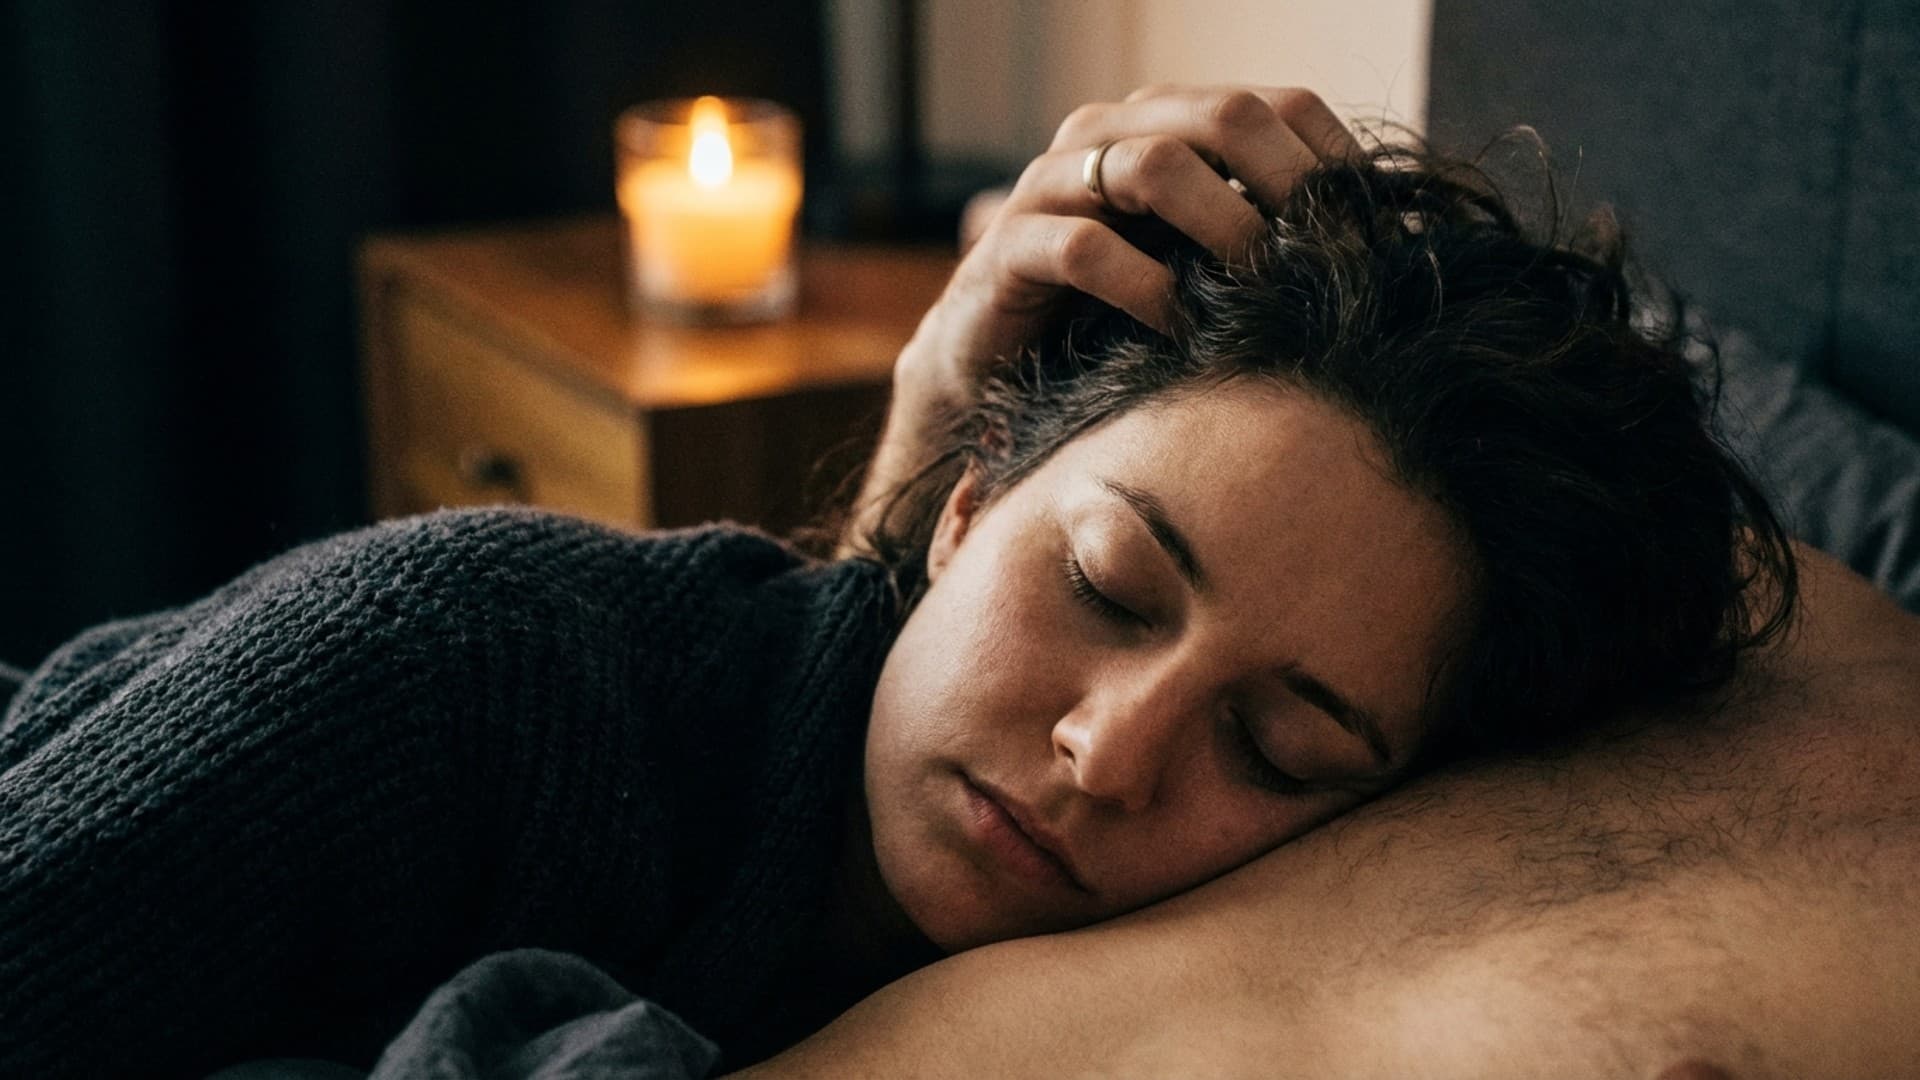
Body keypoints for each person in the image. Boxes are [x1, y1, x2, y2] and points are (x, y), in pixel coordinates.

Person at [0, 85, 1808, 1078]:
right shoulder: (467, 667)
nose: (1111, 753)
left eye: (1281, 748)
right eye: (1105, 583)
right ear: (964, 501)